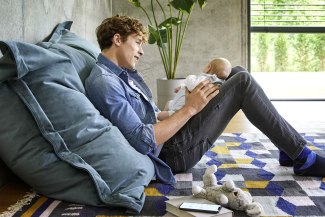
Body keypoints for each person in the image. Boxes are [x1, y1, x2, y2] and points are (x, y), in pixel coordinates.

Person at [85, 15, 325, 185]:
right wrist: (189, 109)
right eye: (137, 42)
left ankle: (287, 147)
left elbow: (149, 117)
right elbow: (143, 141)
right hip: (174, 151)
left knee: (237, 72)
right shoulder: (105, 83)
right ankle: (303, 158)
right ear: (117, 39)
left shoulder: (122, 75)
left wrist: (177, 104)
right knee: (243, 83)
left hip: (173, 136)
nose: (141, 50)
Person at [157, 58, 232, 121]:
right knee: (169, 103)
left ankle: (157, 117)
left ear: (208, 67)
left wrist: (190, 77)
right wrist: (181, 86)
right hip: (178, 101)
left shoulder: (205, 79)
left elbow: (192, 86)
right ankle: (163, 116)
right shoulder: (215, 83)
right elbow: (194, 86)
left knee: (164, 115)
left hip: (181, 107)